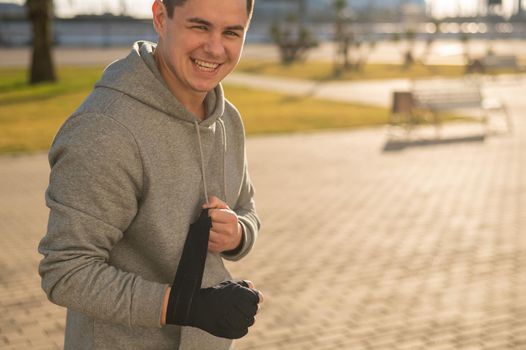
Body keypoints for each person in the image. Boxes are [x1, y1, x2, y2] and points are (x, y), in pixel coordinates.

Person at [37, 0, 263, 349]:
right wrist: (181, 306)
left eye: (232, 32)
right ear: (161, 17)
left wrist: (238, 233)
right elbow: (66, 272)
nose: (216, 48)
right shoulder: (105, 129)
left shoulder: (227, 119)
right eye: (199, 26)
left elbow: (247, 208)